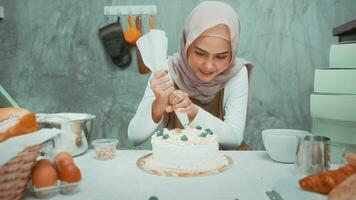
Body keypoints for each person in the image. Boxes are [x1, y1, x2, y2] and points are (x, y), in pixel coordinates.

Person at [128, 1, 253, 150]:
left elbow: (234, 139)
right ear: (186, 45)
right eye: (200, 53)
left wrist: (192, 111)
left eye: (221, 57)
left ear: (232, 53)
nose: (208, 66)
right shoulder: (167, 71)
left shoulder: (236, 74)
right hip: (177, 167)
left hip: (223, 166)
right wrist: (158, 105)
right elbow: (134, 137)